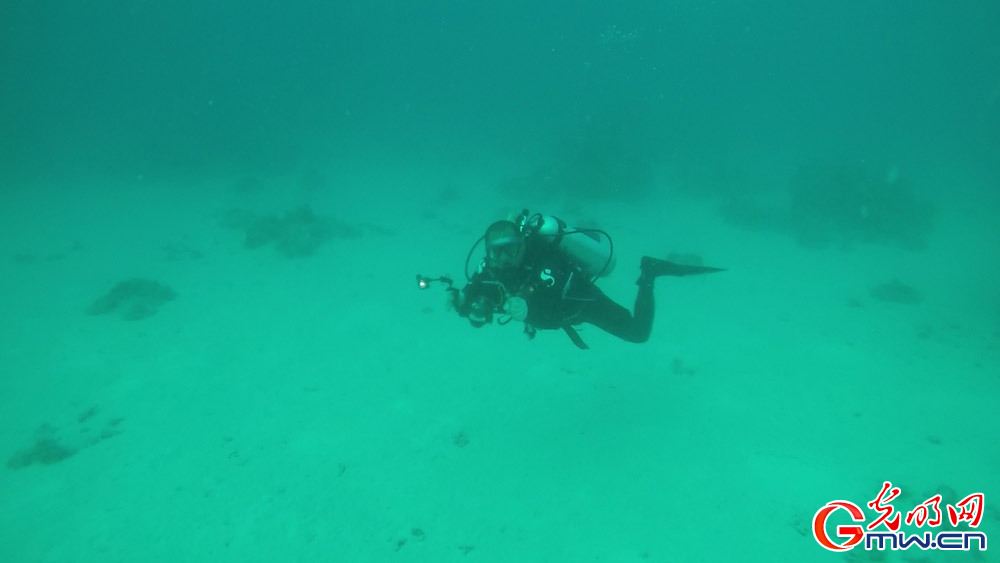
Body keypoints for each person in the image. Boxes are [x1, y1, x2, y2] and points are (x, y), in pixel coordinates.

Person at [451, 213, 723, 348]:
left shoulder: (546, 263)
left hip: (581, 302)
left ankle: (649, 273)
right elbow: (478, 287)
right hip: (557, 312)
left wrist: (527, 309)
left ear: (522, 244)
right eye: (495, 251)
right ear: (486, 251)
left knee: (638, 333)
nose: (504, 258)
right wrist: (462, 299)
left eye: (510, 248)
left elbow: (551, 307)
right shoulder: (492, 265)